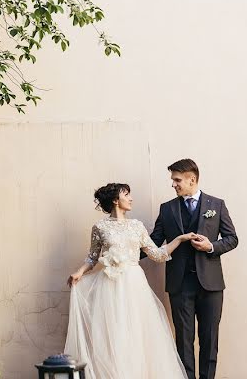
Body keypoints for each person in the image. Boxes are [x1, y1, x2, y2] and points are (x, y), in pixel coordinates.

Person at [65, 182, 191, 379]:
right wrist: (79, 272)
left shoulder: (136, 226)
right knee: (113, 335)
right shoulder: (100, 227)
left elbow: (157, 255)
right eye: (127, 194)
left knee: (137, 333)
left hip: (134, 285)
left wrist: (179, 239)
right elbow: (92, 257)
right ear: (116, 200)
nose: (131, 198)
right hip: (109, 285)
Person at [147, 158, 238, 379]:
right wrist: (122, 248)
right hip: (180, 285)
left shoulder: (216, 205)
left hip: (211, 285)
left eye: (177, 180)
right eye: (172, 180)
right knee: (184, 341)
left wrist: (211, 246)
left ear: (192, 179)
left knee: (209, 339)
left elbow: (232, 239)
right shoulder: (167, 209)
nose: (173, 184)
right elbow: (153, 242)